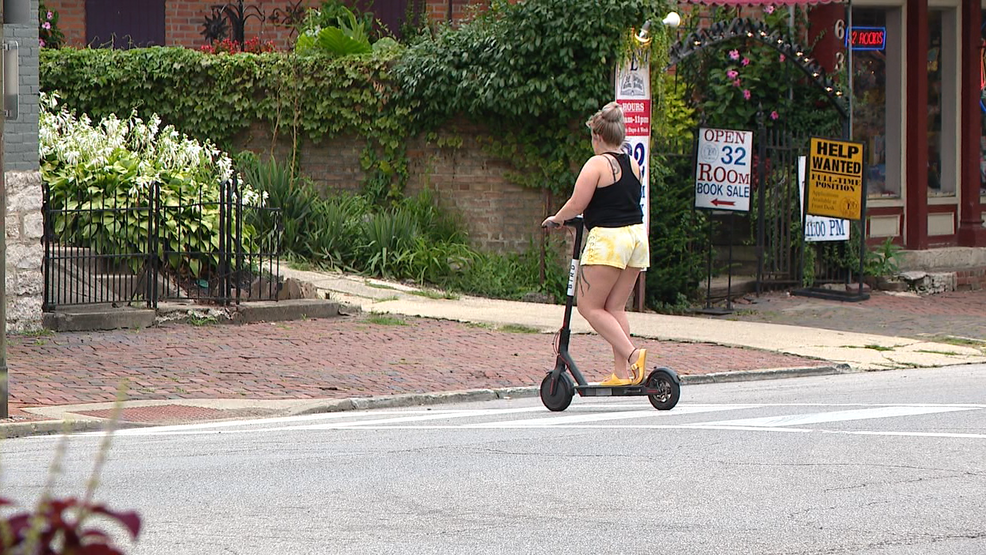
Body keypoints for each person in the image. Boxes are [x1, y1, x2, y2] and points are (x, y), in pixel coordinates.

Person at [542, 101, 649, 387]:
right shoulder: (634, 164)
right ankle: (622, 375)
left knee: (588, 307)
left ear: (598, 136)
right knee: (615, 308)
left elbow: (578, 202)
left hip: (610, 240)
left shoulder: (597, 164)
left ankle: (632, 354)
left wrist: (556, 219)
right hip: (636, 238)